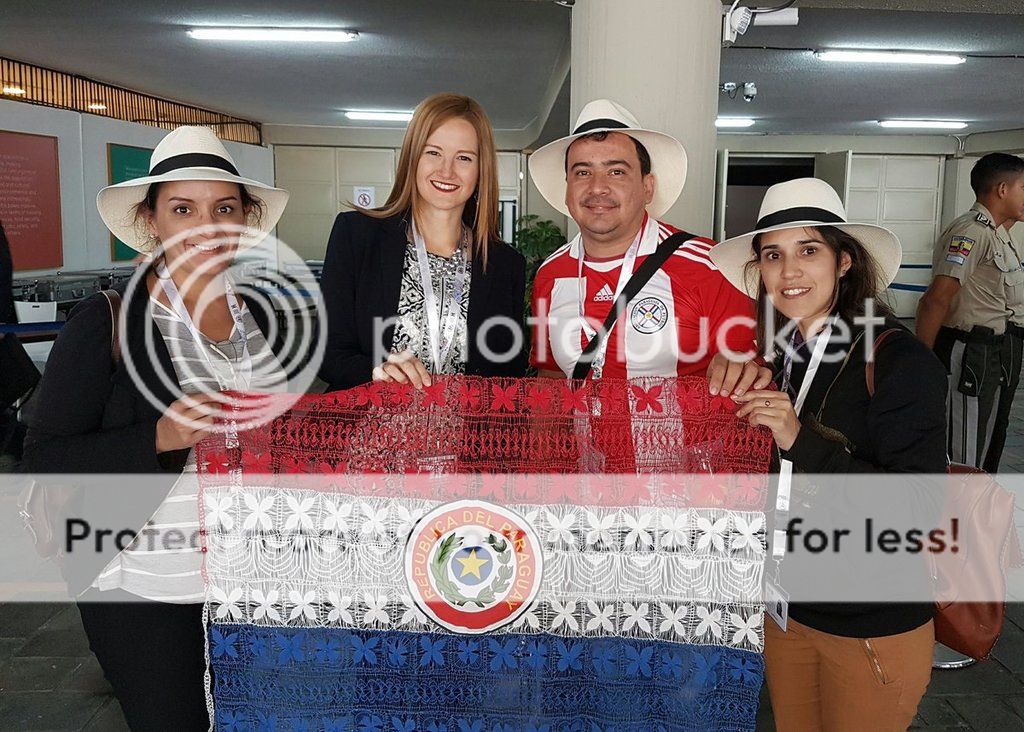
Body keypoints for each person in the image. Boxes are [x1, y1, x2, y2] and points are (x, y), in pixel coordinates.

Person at [23, 126, 291, 730]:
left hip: (252, 577)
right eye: (182, 209)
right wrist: (158, 438)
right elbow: (44, 455)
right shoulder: (106, 323)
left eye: (224, 208)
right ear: (152, 221)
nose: (205, 226)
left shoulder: (263, 317)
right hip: (142, 585)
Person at [711, 177, 947, 730]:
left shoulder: (897, 360)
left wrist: (799, 439)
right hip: (788, 612)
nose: (789, 271)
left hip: (871, 623)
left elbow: (917, 509)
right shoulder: (786, 356)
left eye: (808, 250)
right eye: (773, 255)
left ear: (844, 262)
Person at [527, 99, 763, 394]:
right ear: (567, 189)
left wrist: (741, 366)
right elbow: (550, 380)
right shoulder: (550, 274)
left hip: (689, 443)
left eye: (616, 171)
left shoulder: (709, 267)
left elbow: (749, 381)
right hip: (582, 443)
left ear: (647, 187)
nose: (597, 187)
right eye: (582, 172)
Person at [319, 93, 527, 391]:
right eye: (433, 152)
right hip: (371, 433)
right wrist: (377, 370)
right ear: (412, 157)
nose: (446, 171)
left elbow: (509, 375)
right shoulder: (357, 236)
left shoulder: (505, 264)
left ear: (481, 172)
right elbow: (327, 353)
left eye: (464, 158)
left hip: (463, 437)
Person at [916, 153, 1024, 470]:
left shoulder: (999, 233)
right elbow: (937, 299)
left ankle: (978, 509)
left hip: (999, 351)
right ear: (1002, 189)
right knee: (967, 444)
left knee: (989, 437)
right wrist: (922, 360)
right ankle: (958, 515)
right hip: (972, 351)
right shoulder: (972, 232)